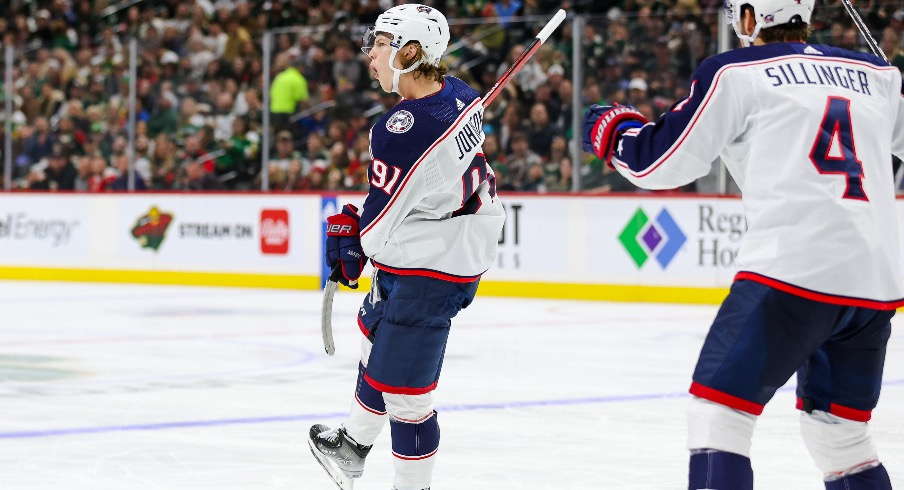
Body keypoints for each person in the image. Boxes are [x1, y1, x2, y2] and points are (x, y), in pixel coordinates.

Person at [581, 0, 903, 488]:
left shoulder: (736, 72)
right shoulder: (876, 74)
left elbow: (661, 162)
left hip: (792, 272)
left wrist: (613, 130)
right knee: (840, 436)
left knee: (719, 416)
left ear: (751, 18)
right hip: (875, 286)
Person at [308, 5, 505, 490]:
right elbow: (413, 190)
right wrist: (364, 221)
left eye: (380, 44)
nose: (370, 54)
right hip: (430, 241)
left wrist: (351, 236)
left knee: (408, 396)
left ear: (410, 52)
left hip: (434, 263)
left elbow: (373, 233)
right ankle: (353, 445)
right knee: (375, 340)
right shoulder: (459, 93)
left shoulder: (400, 130)